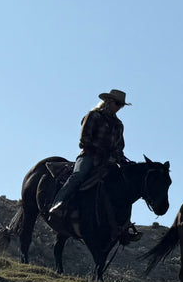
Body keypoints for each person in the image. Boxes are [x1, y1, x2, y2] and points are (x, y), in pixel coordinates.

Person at [47, 89, 130, 219]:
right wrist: (101, 151)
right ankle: (58, 204)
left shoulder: (119, 125)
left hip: (109, 161)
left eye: (121, 105)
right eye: (117, 103)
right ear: (108, 101)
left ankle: (122, 223)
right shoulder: (94, 116)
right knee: (78, 175)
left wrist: (120, 159)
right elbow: (84, 139)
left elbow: (119, 146)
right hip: (89, 155)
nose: (119, 107)